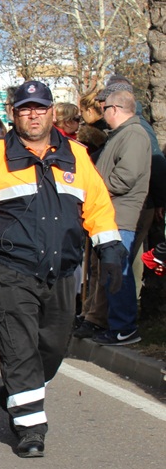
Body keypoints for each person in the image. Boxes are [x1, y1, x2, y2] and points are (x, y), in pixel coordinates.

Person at [0, 81, 126, 458]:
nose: (33, 114)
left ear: (51, 112)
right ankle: (30, 428)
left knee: (53, 347)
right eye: (25, 109)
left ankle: (14, 391)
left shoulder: (75, 154)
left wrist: (111, 251)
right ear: (14, 113)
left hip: (62, 271)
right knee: (19, 347)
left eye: (40, 108)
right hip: (11, 269)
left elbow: (99, 207)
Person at [72, 88, 151, 344]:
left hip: (121, 215)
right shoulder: (122, 134)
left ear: (115, 109)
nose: (102, 113)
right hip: (110, 214)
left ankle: (124, 327)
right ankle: (111, 323)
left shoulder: (134, 135)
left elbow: (124, 178)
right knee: (108, 272)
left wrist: (94, 188)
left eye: (104, 108)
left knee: (119, 273)